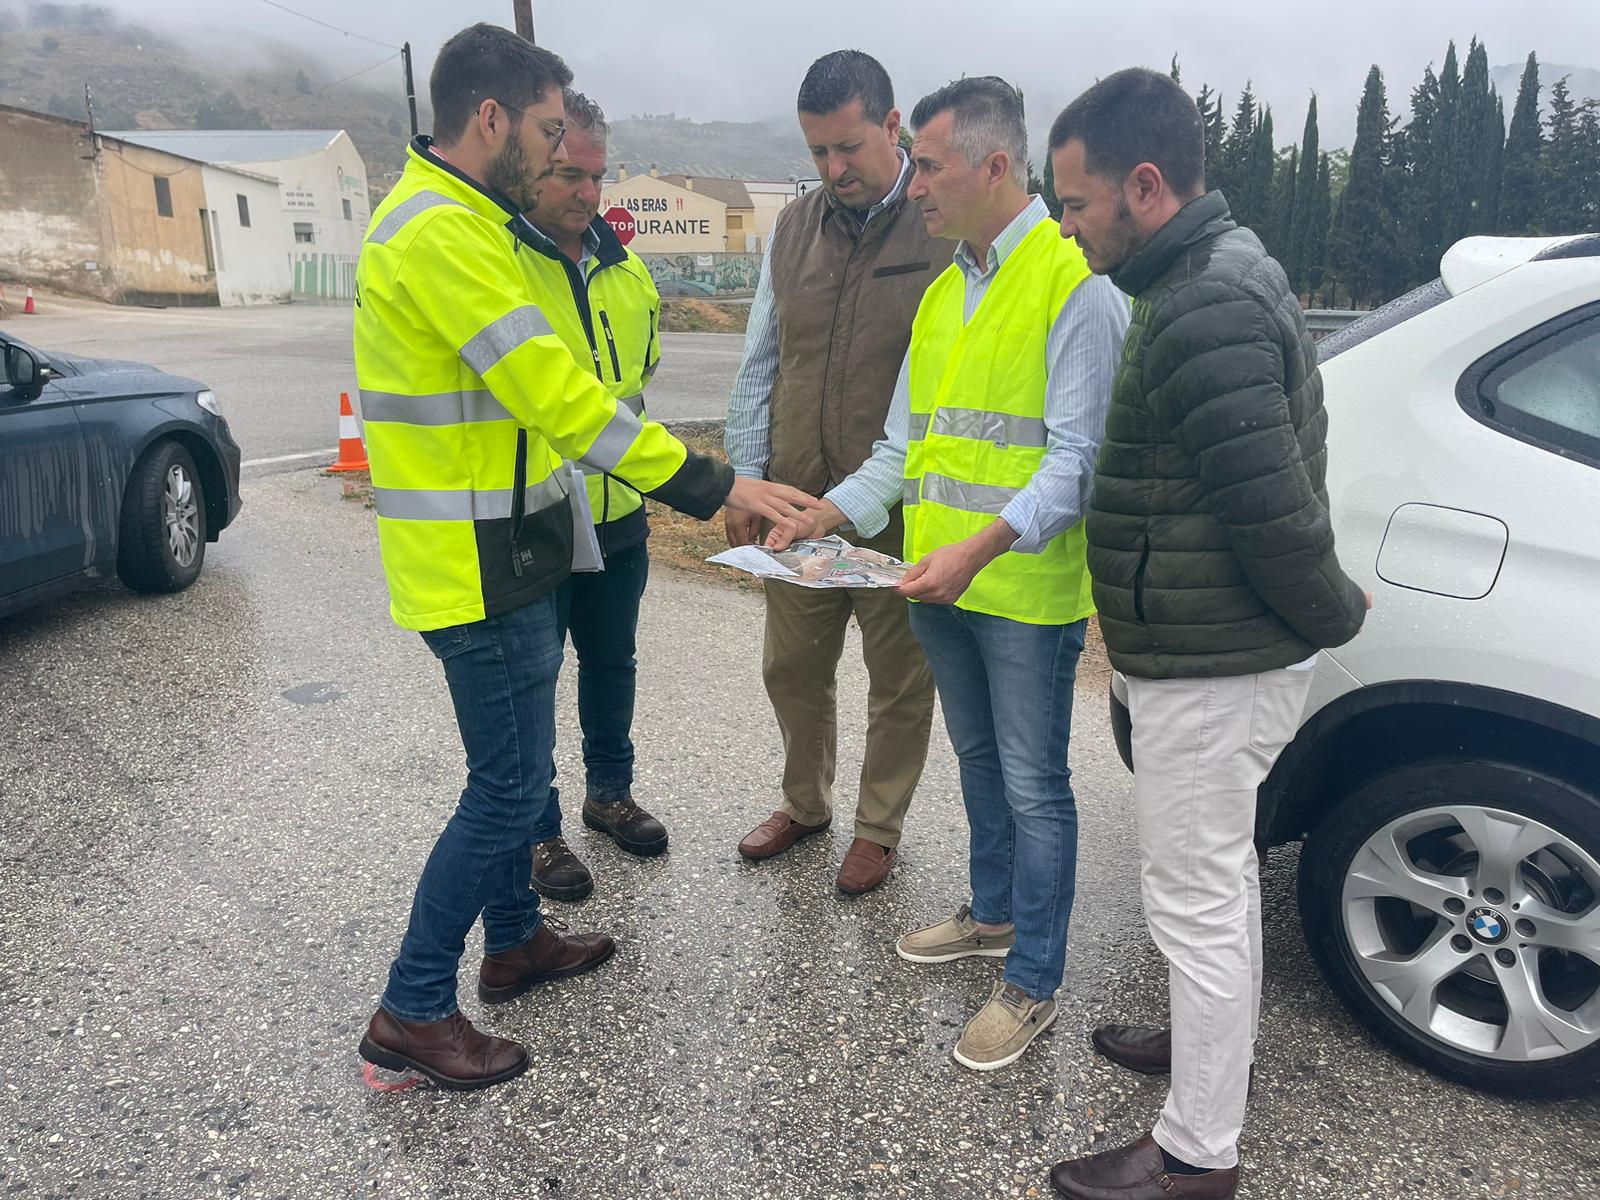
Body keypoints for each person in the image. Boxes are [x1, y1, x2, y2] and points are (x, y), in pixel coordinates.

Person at [352, 23, 820, 1091]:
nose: (559, 150)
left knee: (515, 786)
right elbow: (562, 399)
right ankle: (411, 1009)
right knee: (504, 793)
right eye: (548, 129)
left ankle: (514, 945)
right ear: (491, 118)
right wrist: (714, 486)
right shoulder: (437, 232)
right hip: (469, 561)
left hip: (507, 548)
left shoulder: (469, 222)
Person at [1044, 68, 1368, 1198]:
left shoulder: (1205, 302)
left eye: (1075, 205)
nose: (1068, 229)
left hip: (1215, 659)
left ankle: (1196, 1154)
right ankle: (1204, 1043)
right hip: (1202, 646)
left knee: (1194, 892)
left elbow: (1269, 511)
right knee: (1213, 886)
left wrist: (1336, 616)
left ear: (1142, 185)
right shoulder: (1207, 273)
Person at [772, 76, 1128, 1070]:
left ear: (993, 166)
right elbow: (902, 452)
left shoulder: (1076, 284)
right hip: (937, 584)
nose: (912, 187)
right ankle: (995, 916)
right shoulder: (942, 294)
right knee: (980, 769)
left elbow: (1076, 461)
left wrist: (973, 552)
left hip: (1015, 591)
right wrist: (822, 513)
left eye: (926, 166)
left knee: (1034, 785)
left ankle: (1033, 979)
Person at [724, 50, 952, 894]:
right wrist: (745, 475)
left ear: (893, 127)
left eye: (849, 147)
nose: (833, 169)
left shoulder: (938, 229)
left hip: (896, 512)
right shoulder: (793, 229)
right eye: (818, 151)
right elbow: (760, 360)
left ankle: (878, 826)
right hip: (791, 503)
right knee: (791, 668)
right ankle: (804, 803)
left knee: (898, 682)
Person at [519, 89, 668, 902]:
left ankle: (608, 793)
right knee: (534, 675)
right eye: (567, 173)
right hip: (539, 519)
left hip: (618, 517)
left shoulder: (630, 271)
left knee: (612, 661)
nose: (585, 192)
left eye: (596, 176)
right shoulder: (502, 269)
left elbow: (639, 386)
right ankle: (537, 830)